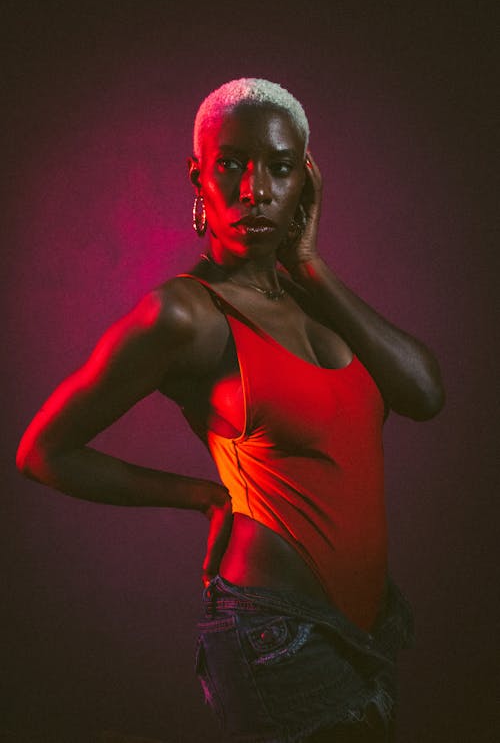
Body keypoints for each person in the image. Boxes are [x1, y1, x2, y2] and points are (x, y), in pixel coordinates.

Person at [16, 78, 445, 742]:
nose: (255, 190)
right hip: (277, 634)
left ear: (306, 181)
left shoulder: (313, 300)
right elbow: (42, 452)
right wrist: (201, 496)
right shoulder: (185, 314)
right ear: (199, 176)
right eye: (231, 165)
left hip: (371, 625)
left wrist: (311, 267)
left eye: (278, 169)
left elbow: (424, 393)